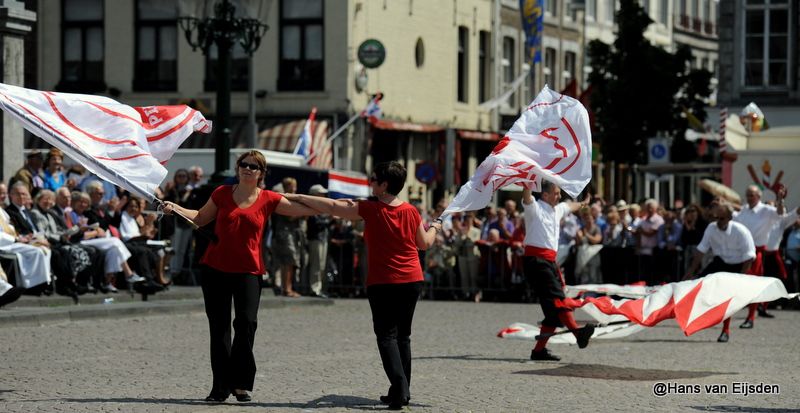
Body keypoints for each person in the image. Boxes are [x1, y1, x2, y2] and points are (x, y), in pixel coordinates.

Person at [162, 150, 317, 404]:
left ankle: (241, 383)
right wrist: (175, 207)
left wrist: (323, 203)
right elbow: (200, 217)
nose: (247, 168)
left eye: (253, 166)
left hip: (249, 271)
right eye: (243, 164)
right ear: (237, 168)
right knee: (219, 329)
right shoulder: (222, 193)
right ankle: (220, 387)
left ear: (261, 173)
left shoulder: (268, 198)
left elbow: (303, 210)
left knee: (247, 324)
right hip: (215, 269)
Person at [284, 161, 440, 410]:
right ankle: (400, 390)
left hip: (383, 281)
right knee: (403, 336)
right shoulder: (411, 211)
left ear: (384, 185)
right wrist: (435, 227)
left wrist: (297, 196)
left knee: (386, 336)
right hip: (412, 280)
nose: (370, 183)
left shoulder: (370, 209)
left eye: (374, 179)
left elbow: (332, 206)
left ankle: (400, 389)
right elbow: (425, 244)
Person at [522, 181, 594, 361]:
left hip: (549, 262)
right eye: (556, 193)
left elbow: (570, 205)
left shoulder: (558, 209)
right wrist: (529, 178)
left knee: (553, 312)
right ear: (545, 195)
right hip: (536, 261)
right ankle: (578, 334)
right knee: (559, 300)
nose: (559, 196)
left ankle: (538, 351)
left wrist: (584, 202)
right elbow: (526, 196)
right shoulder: (534, 208)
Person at [684, 203, 755, 343]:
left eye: (721, 218)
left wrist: (741, 277)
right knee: (699, 283)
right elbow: (701, 250)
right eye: (715, 218)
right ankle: (700, 315)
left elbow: (749, 257)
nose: (718, 222)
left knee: (732, 296)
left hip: (739, 264)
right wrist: (691, 271)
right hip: (720, 262)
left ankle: (727, 330)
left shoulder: (740, 231)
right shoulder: (711, 228)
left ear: (729, 218)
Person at [732, 185, 788, 325]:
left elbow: (780, 213)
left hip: (756, 253)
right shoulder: (744, 210)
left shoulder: (766, 210)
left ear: (758, 196)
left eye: (752, 195)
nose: (749, 197)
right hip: (741, 253)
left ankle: (751, 317)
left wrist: (780, 200)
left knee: (753, 285)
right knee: (736, 284)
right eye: (747, 195)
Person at [271, 177, 305, 297]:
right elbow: (289, 217)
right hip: (285, 234)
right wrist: (303, 212)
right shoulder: (283, 199)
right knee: (287, 261)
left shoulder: (291, 199)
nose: (295, 189)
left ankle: (287, 288)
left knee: (290, 262)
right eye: (293, 186)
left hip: (290, 234)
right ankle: (286, 289)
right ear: (287, 187)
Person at [305, 184, 331, 298]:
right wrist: (329, 219)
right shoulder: (311, 206)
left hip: (322, 238)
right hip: (315, 239)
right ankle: (314, 289)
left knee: (321, 265)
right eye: (321, 193)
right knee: (316, 264)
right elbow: (316, 223)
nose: (324, 195)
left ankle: (318, 288)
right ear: (315, 194)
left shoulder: (320, 207)